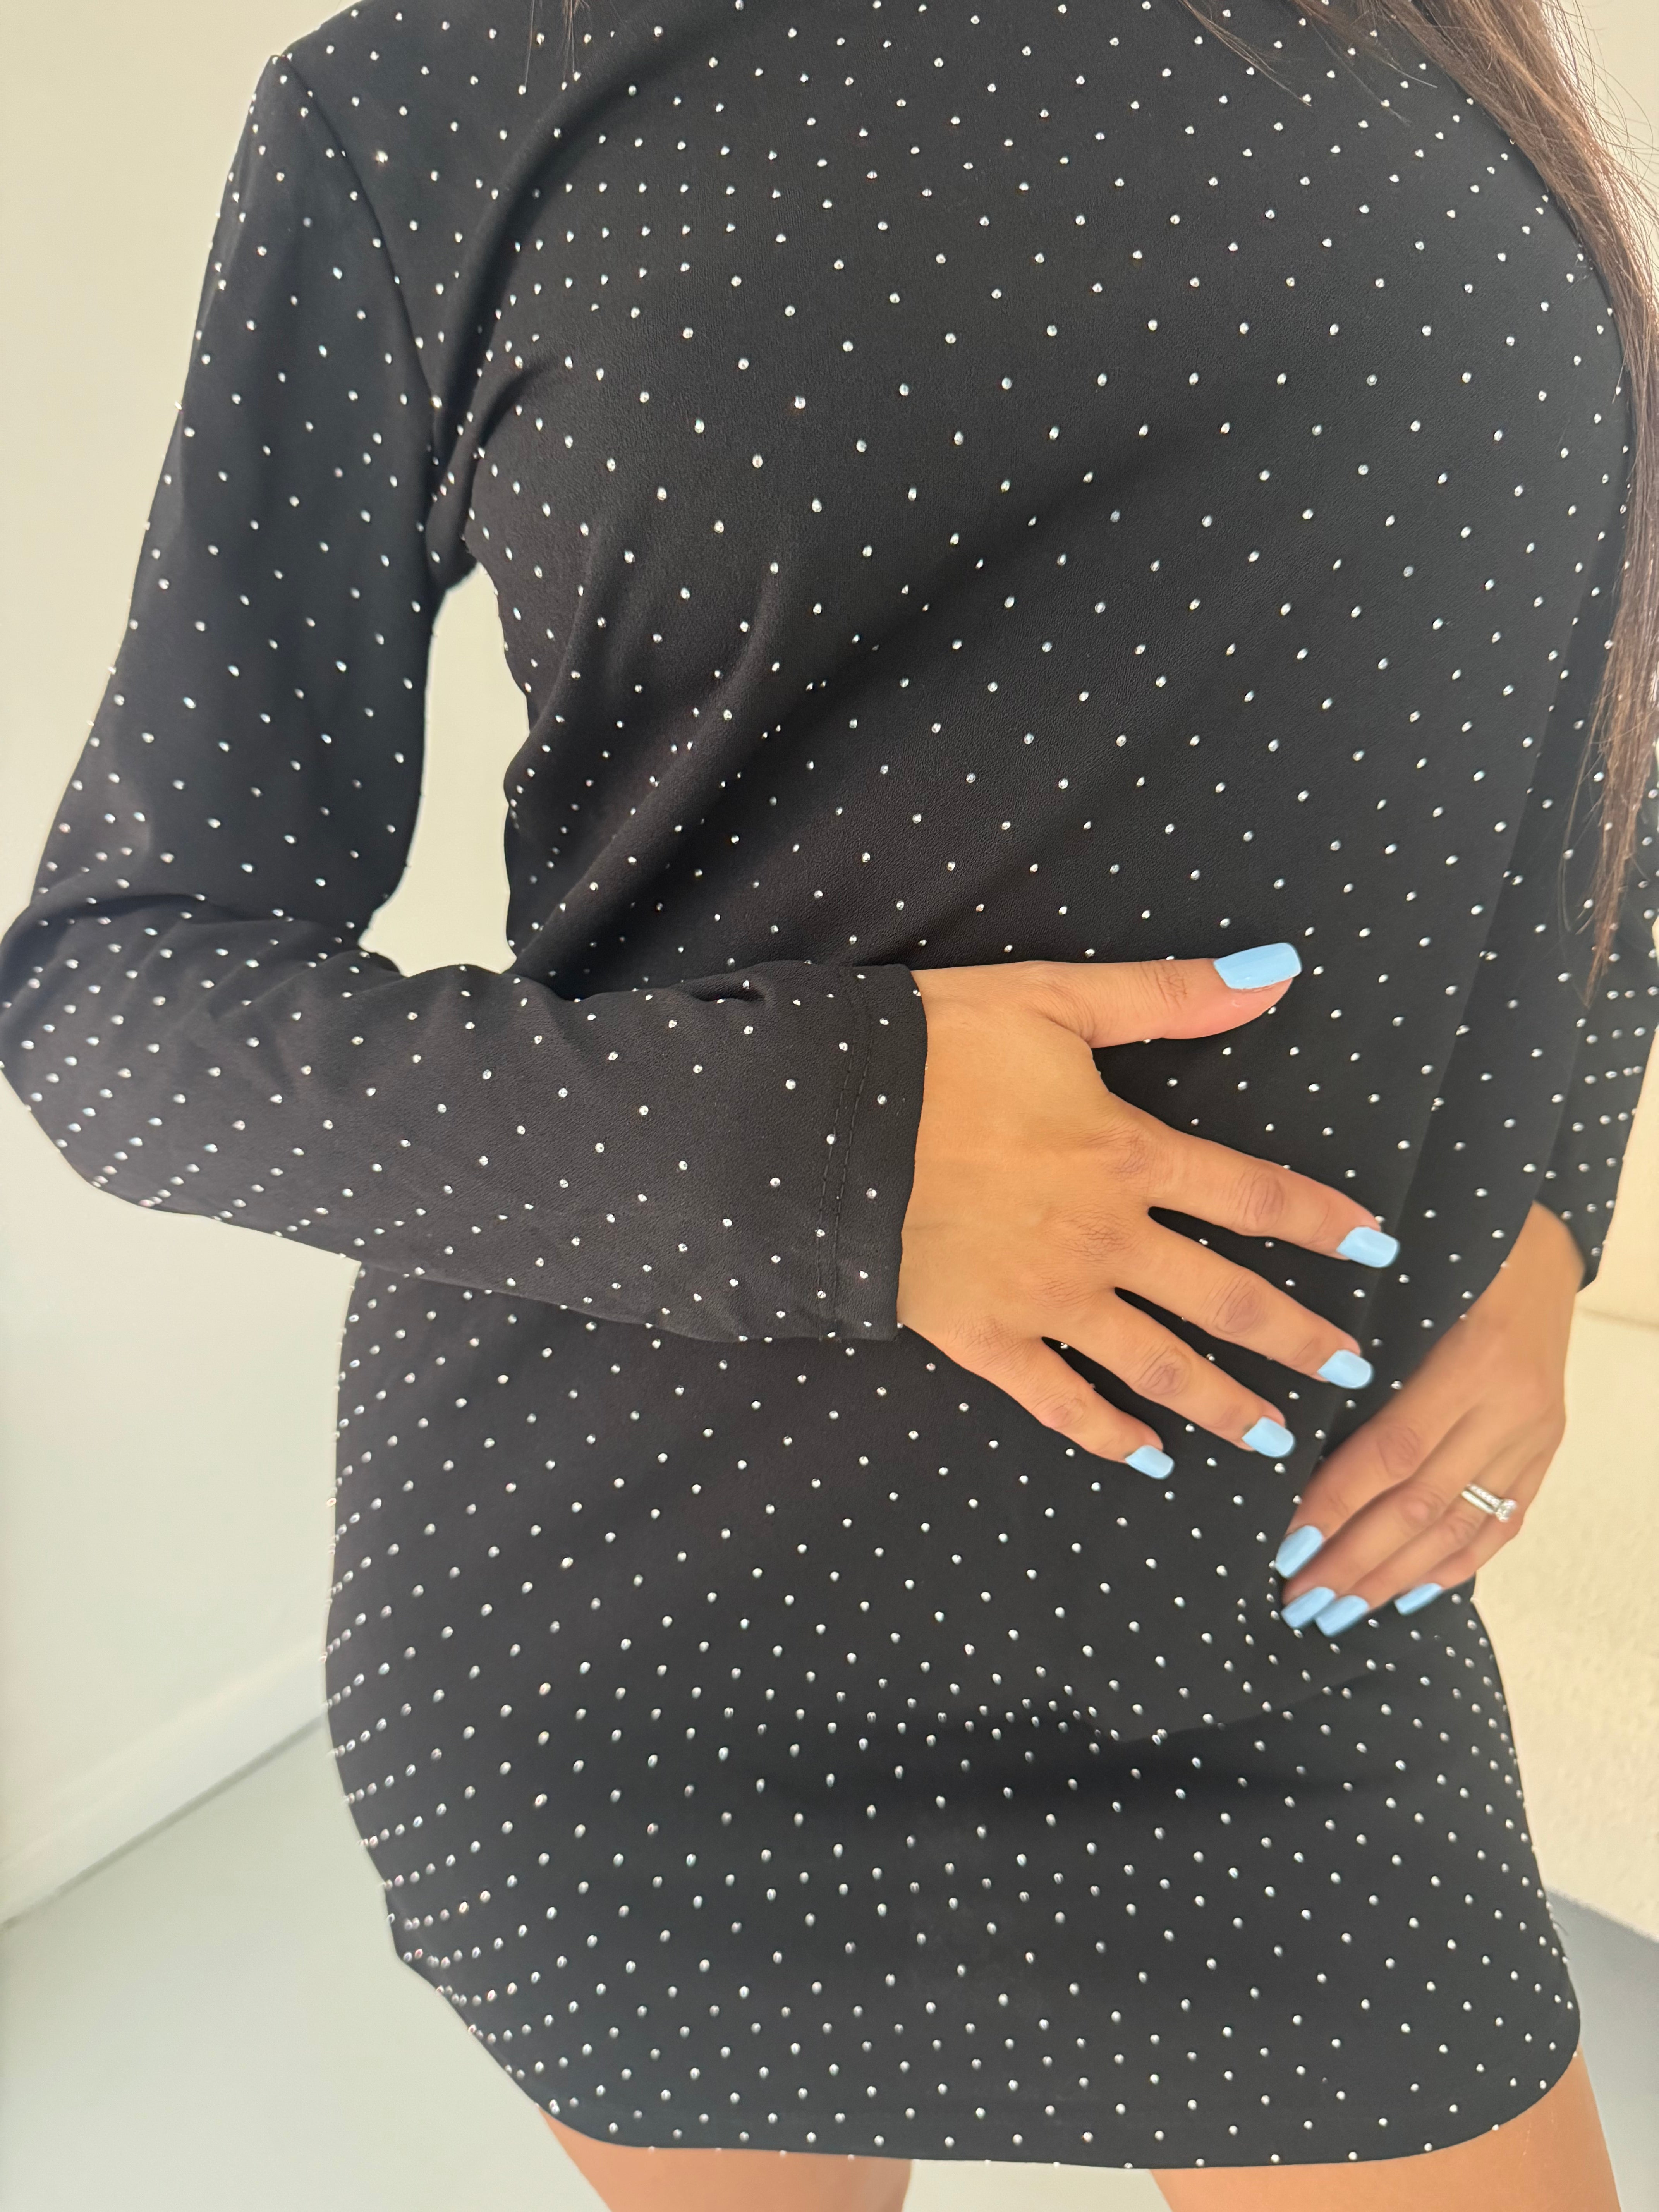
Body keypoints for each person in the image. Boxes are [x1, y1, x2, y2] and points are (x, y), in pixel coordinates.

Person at [2, 0, 1655, 2203]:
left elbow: (1602, 733)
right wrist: (841, 1149)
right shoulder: (440, 92)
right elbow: (116, 995)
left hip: (1283, 1622)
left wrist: (1546, 1219)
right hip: (659, 1638)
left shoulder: (1445, 47)